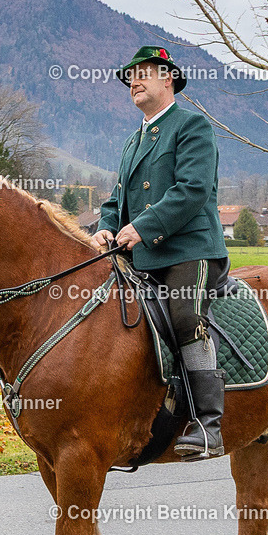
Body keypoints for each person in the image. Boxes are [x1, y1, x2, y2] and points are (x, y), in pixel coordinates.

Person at [91, 46, 229, 459]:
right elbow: (118, 199)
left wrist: (143, 227)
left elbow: (191, 190)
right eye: (130, 76)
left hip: (190, 250)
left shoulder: (192, 126)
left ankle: (209, 424)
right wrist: (105, 227)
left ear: (168, 78)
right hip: (141, 255)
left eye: (143, 73)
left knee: (185, 314)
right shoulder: (134, 140)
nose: (134, 80)